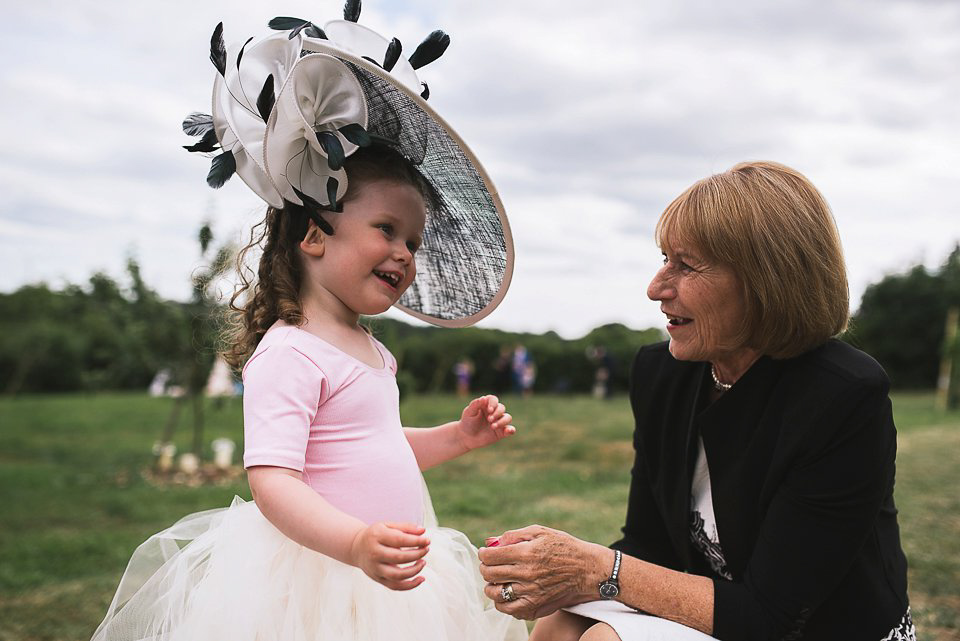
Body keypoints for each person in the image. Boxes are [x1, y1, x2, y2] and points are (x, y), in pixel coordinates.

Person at [91, 7, 526, 641]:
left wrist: (454, 438)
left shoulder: (372, 352)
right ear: (315, 236)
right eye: (387, 230)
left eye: (414, 239)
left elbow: (375, 443)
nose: (406, 253)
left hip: (386, 580)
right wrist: (352, 544)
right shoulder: (290, 353)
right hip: (318, 583)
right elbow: (272, 480)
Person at [477, 161, 914, 641]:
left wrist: (595, 568)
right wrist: (557, 578)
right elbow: (650, 541)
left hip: (817, 629)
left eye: (685, 265)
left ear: (767, 281)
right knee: (558, 626)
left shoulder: (842, 395)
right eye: (664, 259)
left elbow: (772, 616)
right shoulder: (661, 372)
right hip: (728, 610)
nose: (656, 287)